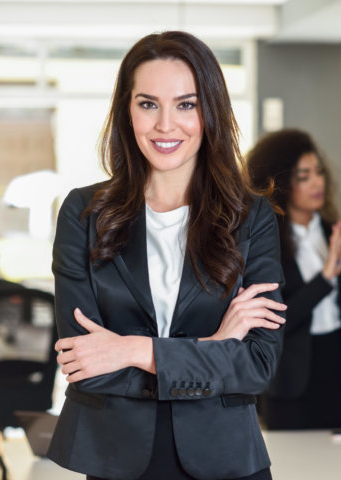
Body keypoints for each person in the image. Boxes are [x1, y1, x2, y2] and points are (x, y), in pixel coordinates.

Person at [47, 31, 286, 480]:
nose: (165, 125)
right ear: (126, 110)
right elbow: (86, 366)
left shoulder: (250, 218)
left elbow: (257, 365)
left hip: (226, 460)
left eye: (186, 104)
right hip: (116, 458)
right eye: (148, 103)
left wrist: (131, 350)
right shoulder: (83, 213)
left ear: (210, 111)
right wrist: (214, 347)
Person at [247, 128, 341, 430]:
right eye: (303, 176)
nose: (317, 182)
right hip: (289, 379)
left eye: (318, 172)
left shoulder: (336, 234)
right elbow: (274, 320)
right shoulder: (265, 243)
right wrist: (324, 278)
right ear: (280, 182)